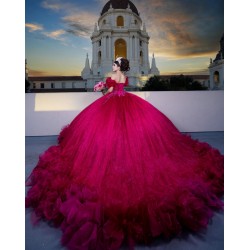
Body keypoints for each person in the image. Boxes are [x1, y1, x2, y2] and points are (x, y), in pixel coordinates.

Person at [26, 57, 224, 250]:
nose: (113, 65)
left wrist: (102, 89)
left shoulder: (113, 76)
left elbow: (109, 92)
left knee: (107, 132)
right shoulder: (125, 77)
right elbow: (120, 88)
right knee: (128, 131)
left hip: (112, 102)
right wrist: (107, 87)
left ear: (119, 66)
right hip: (127, 102)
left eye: (115, 63)